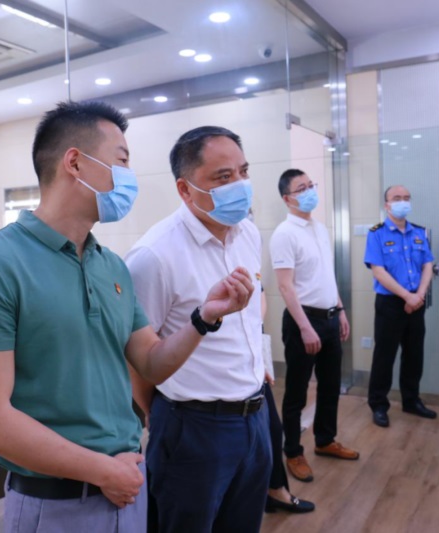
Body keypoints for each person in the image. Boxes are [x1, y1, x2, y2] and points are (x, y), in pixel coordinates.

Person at [0, 102, 253, 533]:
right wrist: (102, 471)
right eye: (122, 161)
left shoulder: (111, 267)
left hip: (126, 487)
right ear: (75, 162)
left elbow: (152, 362)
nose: (129, 176)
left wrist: (204, 318)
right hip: (55, 501)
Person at [125, 126, 271, 533]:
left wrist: (256, 364)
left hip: (254, 415)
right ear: (185, 189)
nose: (240, 185)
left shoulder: (247, 233)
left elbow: (249, 315)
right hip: (193, 426)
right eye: (223, 177)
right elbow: (137, 357)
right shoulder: (154, 256)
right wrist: (164, 418)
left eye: (243, 172)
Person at [269, 169, 359, 484]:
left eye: (311, 185)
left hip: (330, 317)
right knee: (296, 391)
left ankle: (325, 440)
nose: (309, 192)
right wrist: (305, 327)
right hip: (303, 322)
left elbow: (326, 277)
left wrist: (340, 310)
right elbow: (285, 286)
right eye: (301, 188)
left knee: (330, 385)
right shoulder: (284, 234)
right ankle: (293, 451)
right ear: (287, 198)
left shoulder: (319, 228)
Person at [364, 184, 437, 428]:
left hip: (417, 300)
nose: (403, 201)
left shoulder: (419, 232)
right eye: (397, 198)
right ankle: (378, 404)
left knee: (414, 354)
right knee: (384, 356)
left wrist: (419, 295)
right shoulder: (376, 234)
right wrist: (407, 296)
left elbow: (427, 265)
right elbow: (378, 271)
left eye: (406, 197)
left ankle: (411, 400)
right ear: (387, 205)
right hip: (390, 303)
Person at [259, 284, 315, 514]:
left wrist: (250, 327)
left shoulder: (245, 260)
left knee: (272, 428)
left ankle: (275, 490)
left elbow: (259, 292)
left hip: (249, 351)